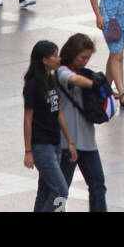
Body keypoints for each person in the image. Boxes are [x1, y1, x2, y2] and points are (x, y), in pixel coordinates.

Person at [22, 40, 76, 212]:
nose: (58, 58)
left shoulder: (51, 80)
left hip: (55, 144)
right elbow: (27, 120)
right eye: (54, 55)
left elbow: (59, 112)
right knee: (61, 190)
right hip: (41, 146)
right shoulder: (32, 86)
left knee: (46, 190)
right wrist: (28, 151)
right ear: (44, 60)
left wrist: (70, 141)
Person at [56, 35, 108, 212]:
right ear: (72, 53)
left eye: (88, 58)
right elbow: (72, 80)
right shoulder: (61, 71)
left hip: (87, 141)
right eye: (82, 57)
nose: (85, 61)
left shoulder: (83, 73)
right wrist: (95, 85)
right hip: (67, 142)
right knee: (61, 189)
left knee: (98, 185)